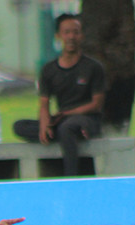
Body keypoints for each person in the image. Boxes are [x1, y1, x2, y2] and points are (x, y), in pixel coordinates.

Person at [12, 13, 106, 176]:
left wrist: (68, 114)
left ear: (81, 35)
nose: (71, 37)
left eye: (75, 32)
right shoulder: (49, 70)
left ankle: (71, 176)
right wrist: (44, 123)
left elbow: (96, 104)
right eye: (66, 32)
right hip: (62, 120)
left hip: (87, 118)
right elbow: (44, 103)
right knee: (20, 126)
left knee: (67, 127)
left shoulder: (93, 67)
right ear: (58, 36)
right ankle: (69, 135)